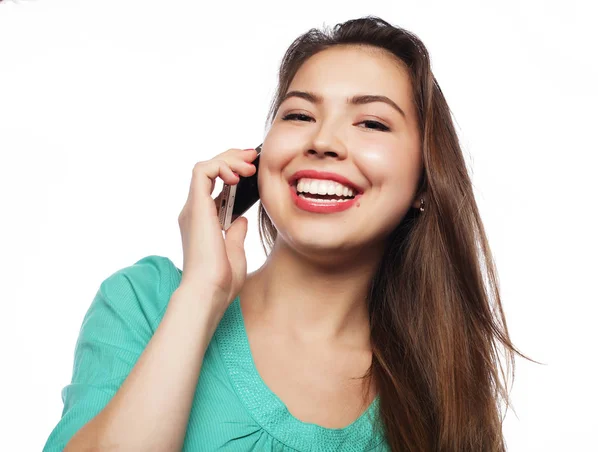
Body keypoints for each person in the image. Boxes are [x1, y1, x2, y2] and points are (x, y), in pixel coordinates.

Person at [43, 16, 524, 452]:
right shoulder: (145, 303)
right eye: (299, 115)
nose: (322, 141)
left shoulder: (442, 385)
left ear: (423, 181)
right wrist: (201, 296)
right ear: (261, 155)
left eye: (371, 122)